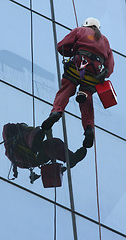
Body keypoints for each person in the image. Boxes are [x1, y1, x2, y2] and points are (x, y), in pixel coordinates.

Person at [41, 17, 114, 148]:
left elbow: (61, 46)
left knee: (66, 89)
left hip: (78, 65)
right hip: (94, 73)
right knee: (87, 99)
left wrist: (73, 52)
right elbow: (110, 66)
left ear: (86, 25)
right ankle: (89, 127)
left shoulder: (80, 30)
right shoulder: (105, 41)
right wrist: (104, 73)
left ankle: (56, 111)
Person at [2, 123, 87, 172]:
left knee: (54, 143)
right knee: (31, 136)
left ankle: (71, 158)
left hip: (36, 158)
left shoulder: (14, 140)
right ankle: (35, 142)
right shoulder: (13, 140)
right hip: (26, 155)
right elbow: (7, 128)